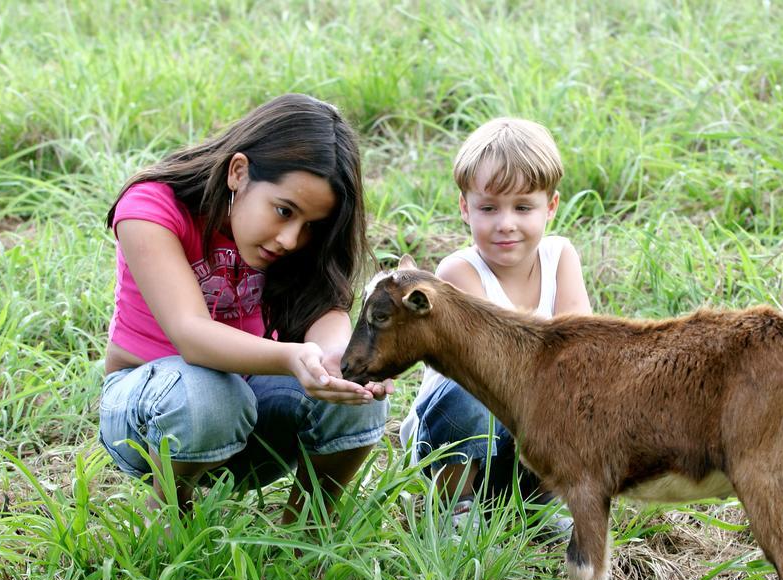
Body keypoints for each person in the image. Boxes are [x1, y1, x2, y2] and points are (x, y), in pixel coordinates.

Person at [98, 94, 392, 524]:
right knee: (210, 394)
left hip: (249, 407)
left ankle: (307, 532)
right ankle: (167, 517)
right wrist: (292, 357)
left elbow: (323, 305)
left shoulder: (291, 241)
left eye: (310, 226)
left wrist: (334, 360)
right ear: (239, 172)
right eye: (284, 211)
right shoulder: (152, 209)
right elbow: (190, 335)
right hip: (147, 417)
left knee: (357, 389)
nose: (291, 239)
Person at [399, 117, 592, 534]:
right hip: (455, 440)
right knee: (474, 392)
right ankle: (451, 506)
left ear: (551, 207)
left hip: (523, 436)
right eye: (489, 208)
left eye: (523, 207)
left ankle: (536, 501)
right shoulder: (459, 270)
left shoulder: (561, 258)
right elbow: (491, 364)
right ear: (465, 207)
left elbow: (580, 343)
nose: (506, 223)